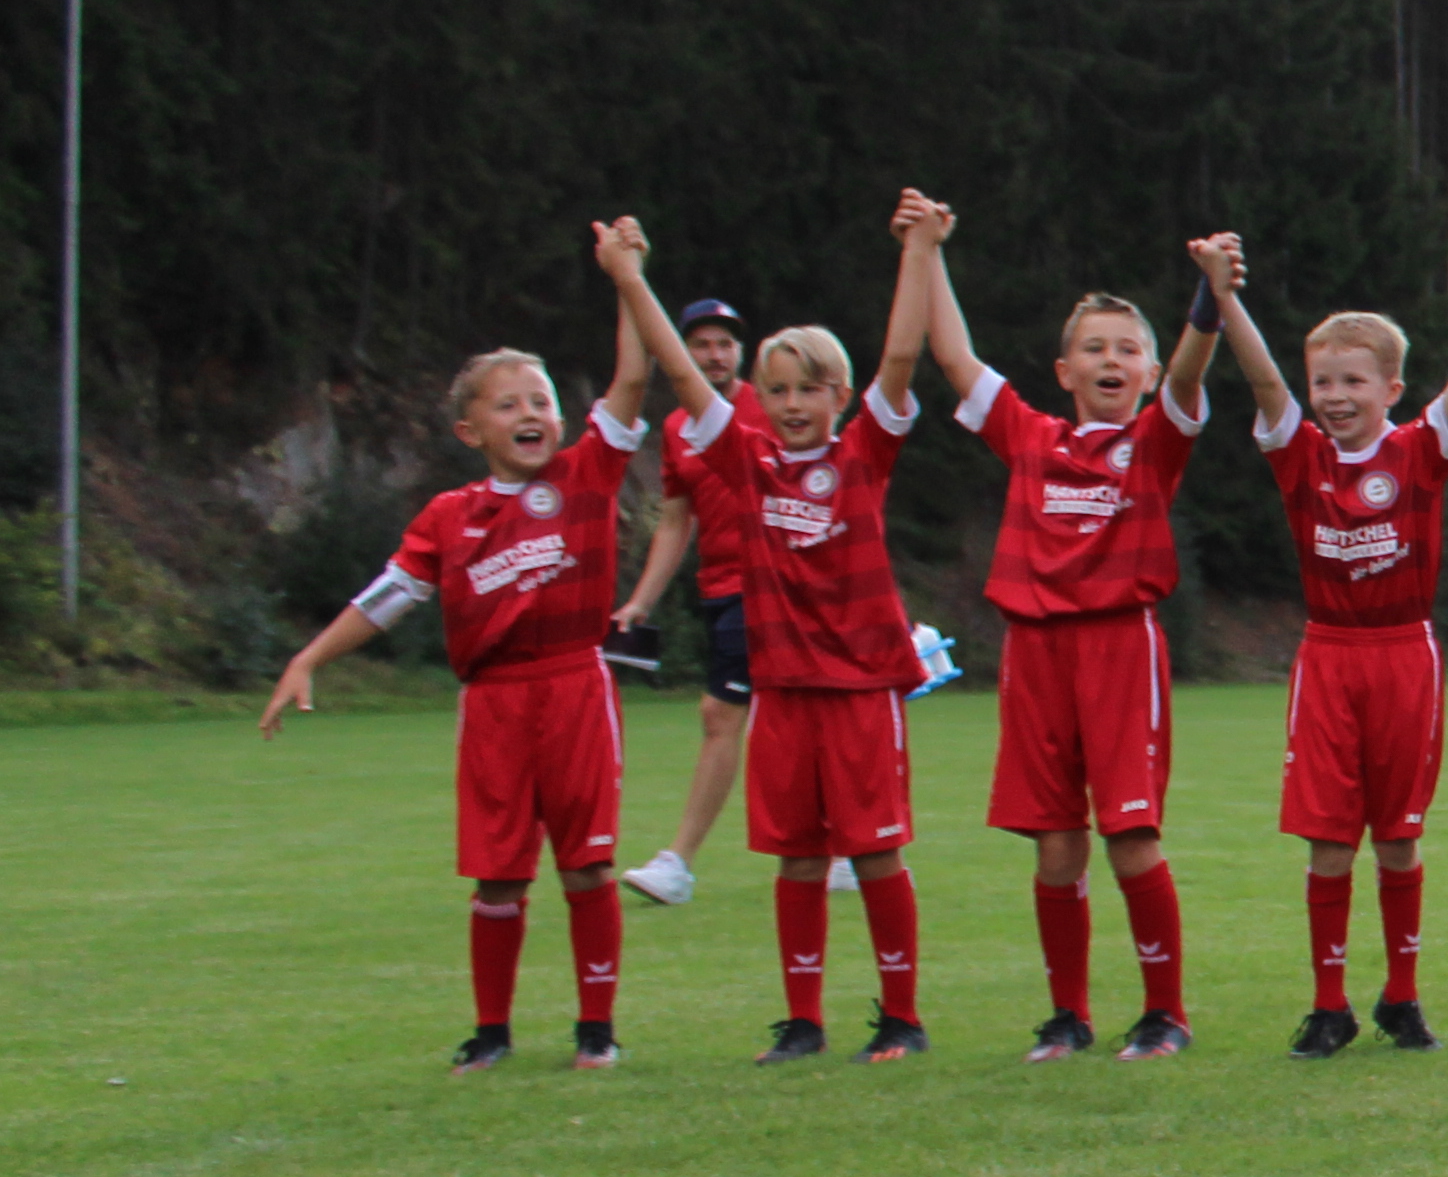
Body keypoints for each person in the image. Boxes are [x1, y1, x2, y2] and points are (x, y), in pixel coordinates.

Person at [260, 222, 658, 1067]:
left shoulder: (587, 476)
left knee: (587, 867)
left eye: (542, 400)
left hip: (576, 689)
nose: (532, 414)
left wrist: (627, 278)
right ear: (469, 431)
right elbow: (387, 598)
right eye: (508, 404)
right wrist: (309, 658)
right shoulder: (449, 518)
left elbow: (631, 377)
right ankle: (491, 1033)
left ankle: (597, 1030)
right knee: (499, 877)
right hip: (495, 705)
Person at [608, 199, 946, 1060]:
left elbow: (903, 353)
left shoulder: (863, 456)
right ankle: (803, 1022)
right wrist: (631, 280)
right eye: (779, 390)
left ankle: (901, 1019)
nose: (794, 405)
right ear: (758, 398)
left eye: (811, 389)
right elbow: (684, 377)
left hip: (865, 691)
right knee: (796, 859)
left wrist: (916, 248)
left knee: (873, 855)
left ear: (841, 395)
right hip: (784, 693)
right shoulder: (746, 465)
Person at [1193, 218, 1448, 1057]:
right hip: (1329, 656)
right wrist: (1225, 297)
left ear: (1391, 387)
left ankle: (1402, 997)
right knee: (1326, 836)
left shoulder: (1421, 451)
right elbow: (1263, 381)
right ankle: (1328, 1004)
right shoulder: (1298, 455)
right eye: (1323, 380)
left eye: (1352, 380)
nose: (1333, 395)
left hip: (1404, 654)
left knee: (1400, 834)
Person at [919, 213, 1218, 1057]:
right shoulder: (1030, 437)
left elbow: (1194, 370)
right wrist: (932, 252)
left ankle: (1166, 1013)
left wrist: (1210, 299)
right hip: (1036, 651)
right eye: (1094, 348)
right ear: (1063, 369)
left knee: (1129, 835)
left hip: (1121, 649)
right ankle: (1068, 1016)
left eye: (1128, 349)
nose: (1111, 361)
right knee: (1055, 845)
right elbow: (953, 359)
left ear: (1150, 371)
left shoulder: (1155, 440)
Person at [609, 291, 753, 905]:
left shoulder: (772, 403)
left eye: (725, 344)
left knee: (720, 715)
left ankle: (678, 863)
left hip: (771, 587)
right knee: (783, 716)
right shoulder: (675, 429)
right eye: (702, 345)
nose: (715, 355)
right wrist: (640, 600)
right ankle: (845, 847)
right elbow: (675, 520)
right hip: (720, 589)